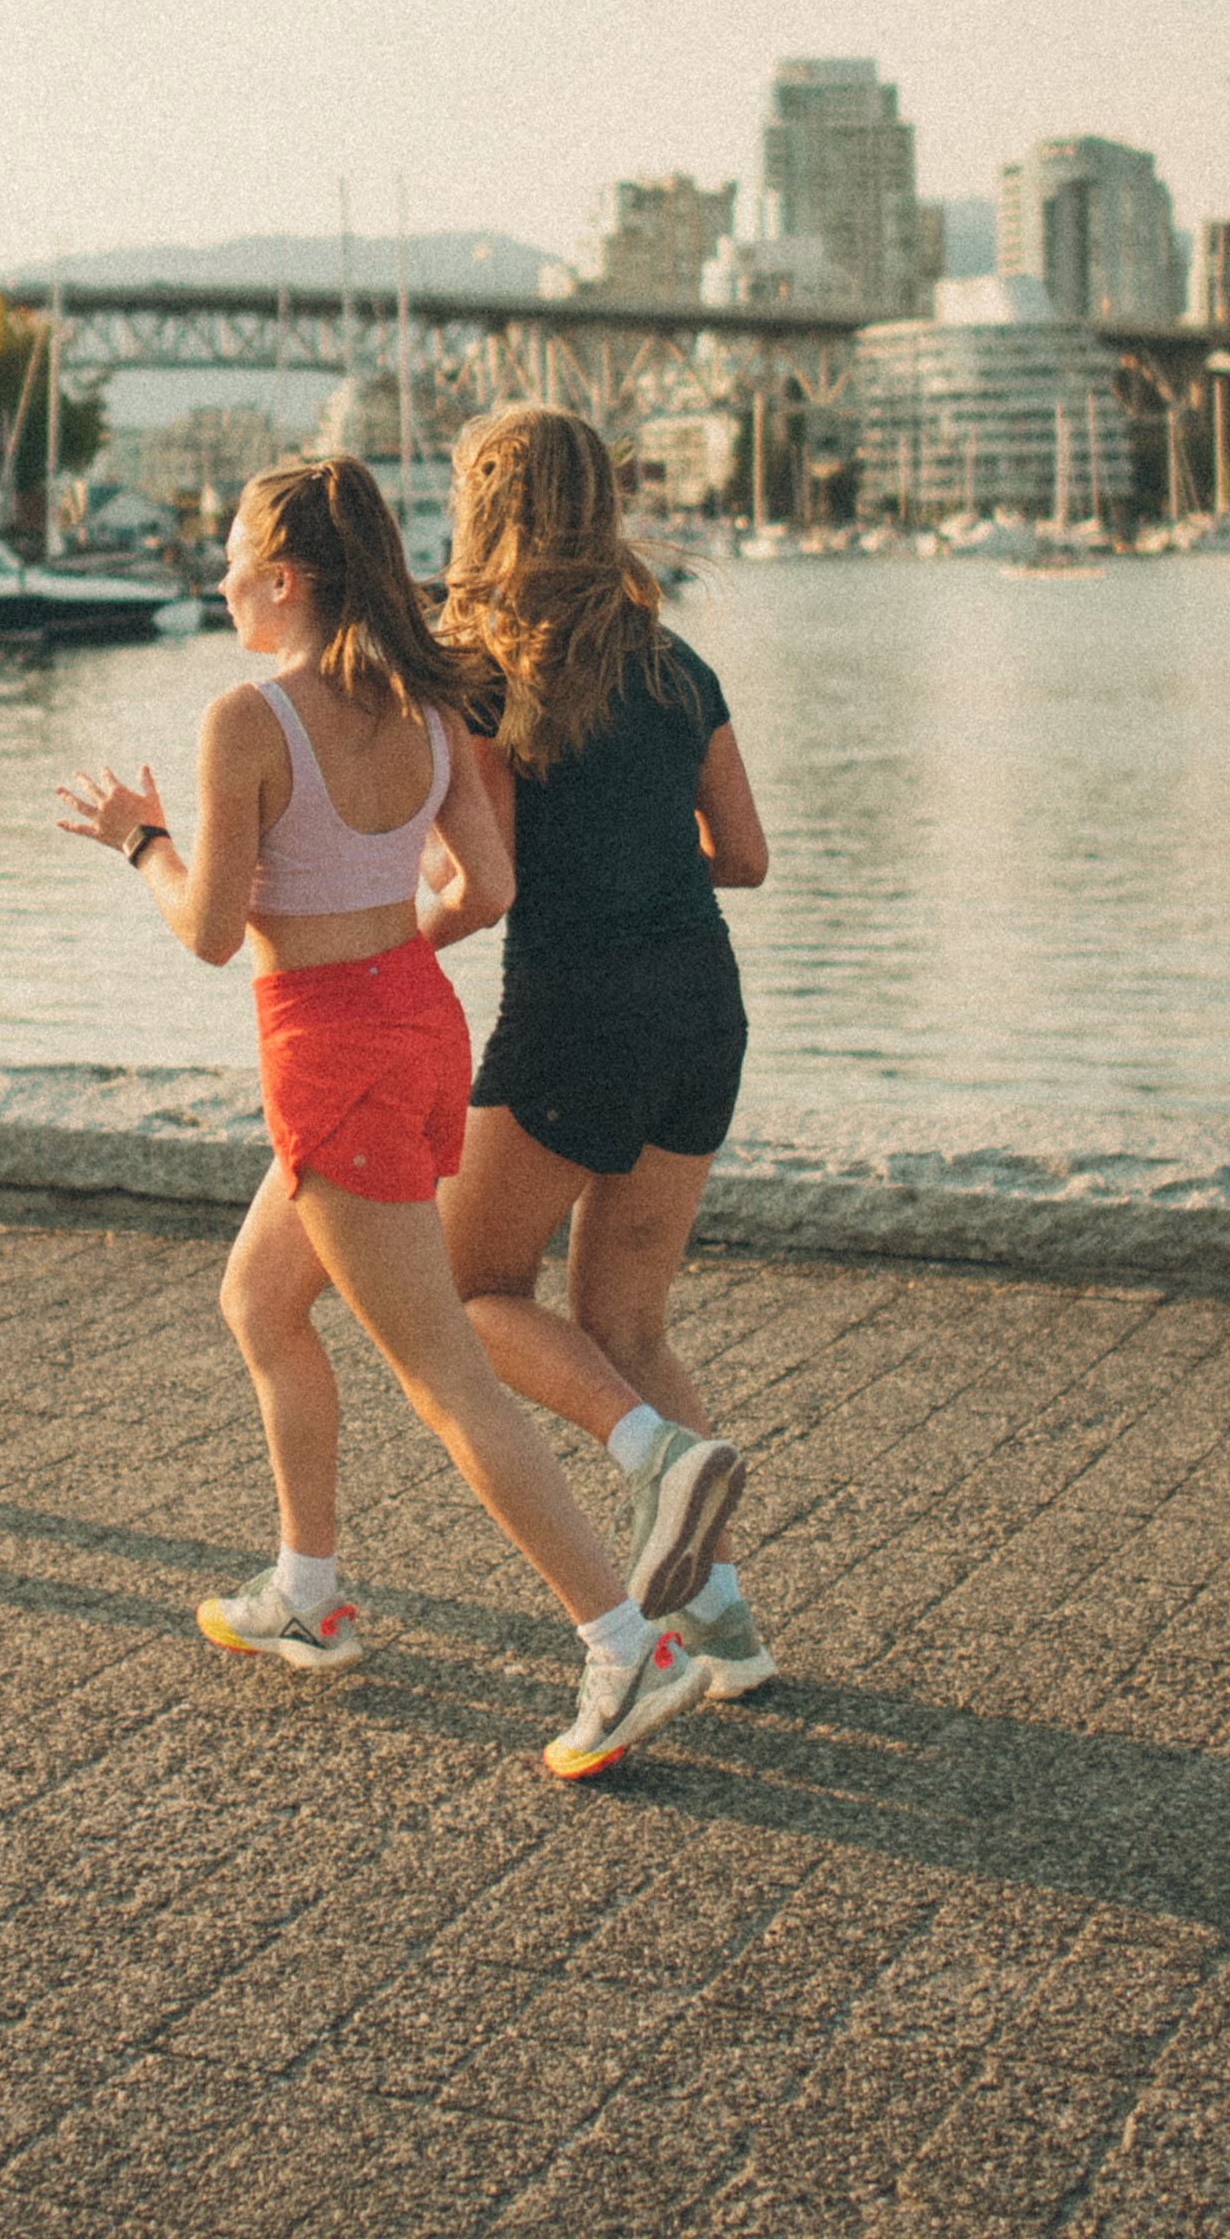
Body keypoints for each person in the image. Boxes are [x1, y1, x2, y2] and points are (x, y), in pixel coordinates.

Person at [56, 455, 734, 1782]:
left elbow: (207, 932)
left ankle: (624, 1644)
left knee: (448, 1379)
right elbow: (480, 883)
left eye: (237, 551)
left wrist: (142, 840)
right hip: (420, 1028)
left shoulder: (247, 718)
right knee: (260, 1300)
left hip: (330, 1051)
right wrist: (376, 937)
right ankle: (308, 1590)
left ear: (287, 575)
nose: (223, 574)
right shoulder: (432, 702)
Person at [434, 406, 775, 1699]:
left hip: (577, 1016)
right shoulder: (678, 662)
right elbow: (743, 858)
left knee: (468, 1295)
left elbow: (491, 876)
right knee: (627, 1315)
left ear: (488, 510)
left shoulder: (488, 669)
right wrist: (644, 855)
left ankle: (653, 1454)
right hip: (701, 1009)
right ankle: (728, 1625)